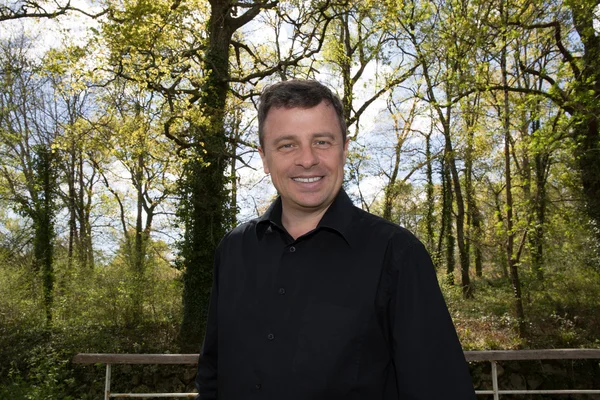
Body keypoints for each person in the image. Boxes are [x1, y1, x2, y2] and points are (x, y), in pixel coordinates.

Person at [195, 79, 476, 399]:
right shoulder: (232, 250)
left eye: (322, 142)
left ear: (344, 148)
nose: (307, 159)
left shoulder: (397, 256)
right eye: (287, 144)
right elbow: (212, 373)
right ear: (264, 157)